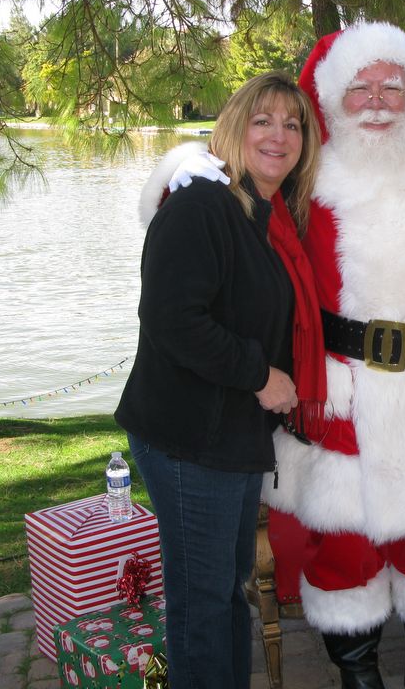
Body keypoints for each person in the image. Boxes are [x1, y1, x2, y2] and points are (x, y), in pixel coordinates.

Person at [167, 22, 405, 689]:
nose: (375, 100)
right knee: (345, 542)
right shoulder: (307, 172)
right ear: (334, 98)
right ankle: (357, 674)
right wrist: (182, 168)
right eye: (359, 87)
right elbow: (232, 196)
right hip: (340, 386)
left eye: (391, 86)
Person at [114, 71, 323, 689]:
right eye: (263, 120)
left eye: (292, 124)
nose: (278, 135)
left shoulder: (265, 213)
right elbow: (173, 321)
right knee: (203, 602)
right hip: (188, 439)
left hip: (228, 439)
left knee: (226, 593)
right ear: (234, 128)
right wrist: (262, 376)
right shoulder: (202, 205)